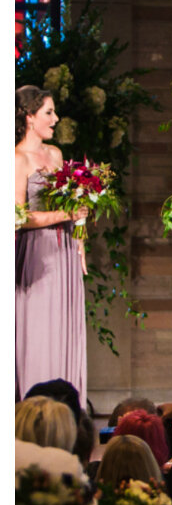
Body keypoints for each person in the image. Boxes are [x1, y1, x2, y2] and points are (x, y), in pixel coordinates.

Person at [15, 86, 89, 403]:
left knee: (65, 330)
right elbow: (17, 217)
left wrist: (81, 237)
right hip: (38, 254)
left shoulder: (56, 155)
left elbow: (75, 201)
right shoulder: (15, 159)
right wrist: (63, 213)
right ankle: (36, 413)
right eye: (48, 112)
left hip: (66, 254)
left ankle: (69, 413)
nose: (56, 118)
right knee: (40, 331)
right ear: (30, 117)